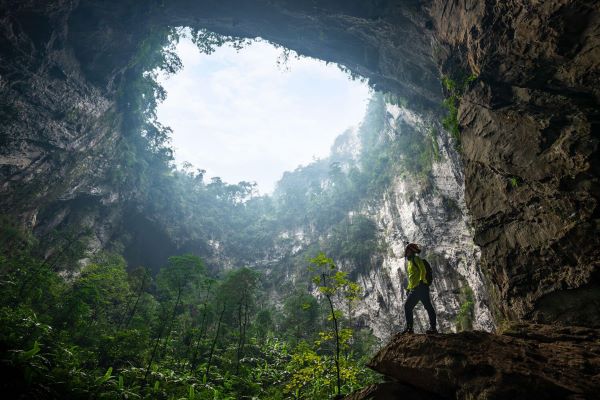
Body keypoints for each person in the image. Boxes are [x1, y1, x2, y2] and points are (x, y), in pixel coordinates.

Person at [400, 243, 437, 334]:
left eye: (408, 250)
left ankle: (410, 329)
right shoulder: (409, 263)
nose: (406, 252)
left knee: (408, 306)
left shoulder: (416, 259)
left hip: (420, 287)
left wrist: (421, 281)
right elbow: (412, 277)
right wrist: (409, 289)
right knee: (427, 306)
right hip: (416, 288)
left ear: (412, 251)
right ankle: (432, 328)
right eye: (406, 251)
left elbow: (423, 270)